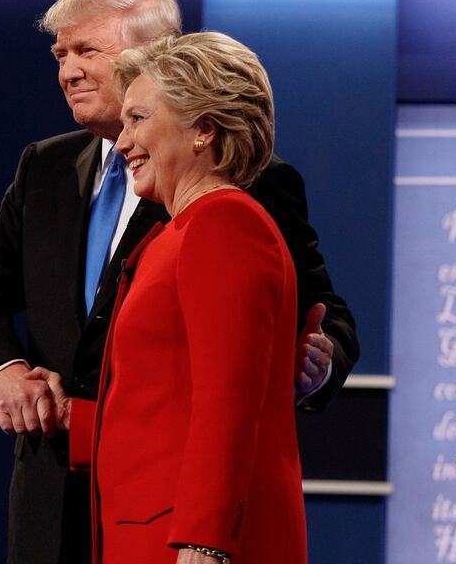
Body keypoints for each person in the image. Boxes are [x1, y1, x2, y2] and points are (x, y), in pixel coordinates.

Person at [0, 0, 357, 562]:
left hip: (178, 518)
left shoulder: (227, 208)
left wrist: (204, 540)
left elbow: (228, 398)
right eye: (59, 55)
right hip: (62, 500)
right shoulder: (50, 168)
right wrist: (13, 381)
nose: (66, 71)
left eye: (85, 49)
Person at [52, 31, 307, 564]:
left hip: (186, 542)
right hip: (146, 531)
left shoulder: (225, 224)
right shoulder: (172, 233)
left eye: (139, 119)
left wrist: (205, 538)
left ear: (203, 130)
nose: (121, 144)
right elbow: (161, 405)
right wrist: (64, 417)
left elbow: (227, 403)